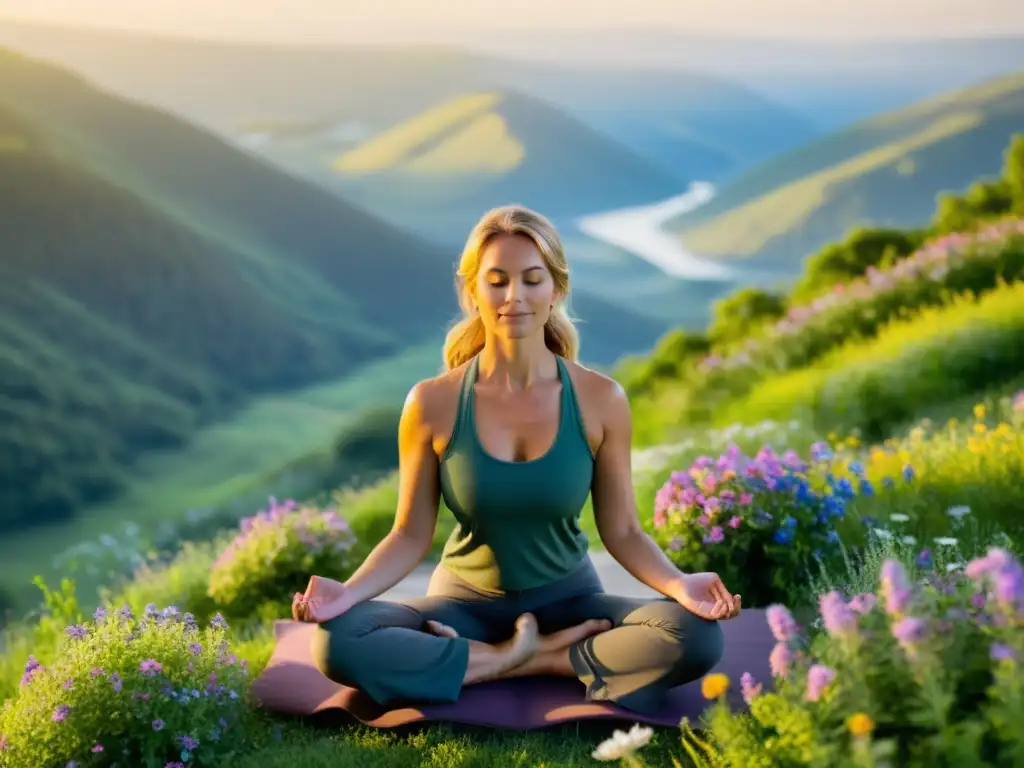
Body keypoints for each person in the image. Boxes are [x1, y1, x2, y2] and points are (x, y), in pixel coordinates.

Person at [292, 205, 741, 715]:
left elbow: (623, 532)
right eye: (497, 280)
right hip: (461, 609)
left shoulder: (600, 399)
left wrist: (680, 583)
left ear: (556, 289)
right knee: (338, 640)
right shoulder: (432, 402)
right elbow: (409, 535)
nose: (514, 297)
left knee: (696, 637)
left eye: (532, 279)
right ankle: (535, 658)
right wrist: (346, 595)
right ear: (473, 291)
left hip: (572, 607)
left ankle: (524, 659)